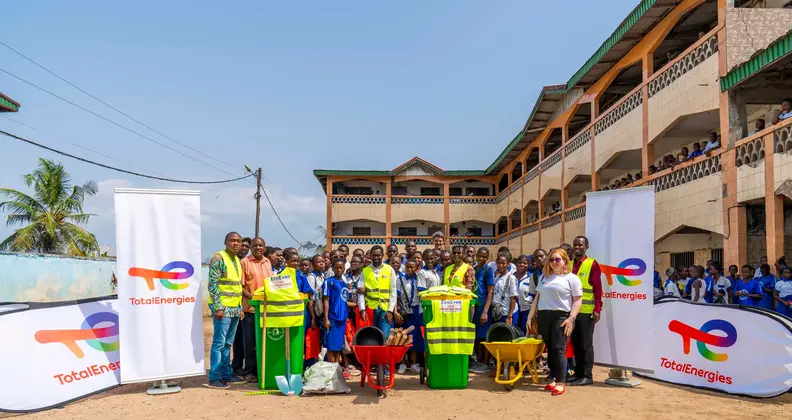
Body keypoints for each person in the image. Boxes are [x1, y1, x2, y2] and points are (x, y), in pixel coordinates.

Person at [526, 248, 583, 396]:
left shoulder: (572, 278)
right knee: (550, 349)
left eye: (558, 259)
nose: (554, 263)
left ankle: (560, 382)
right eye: (551, 260)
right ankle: (554, 379)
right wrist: (530, 317)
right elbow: (537, 298)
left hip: (562, 316)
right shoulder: (545, 277)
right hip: (545, 316)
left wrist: (571, 319)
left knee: (559, 349)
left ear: (565, 261)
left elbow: (577, 300)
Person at [207, 232, 246, 389]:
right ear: (226, 242)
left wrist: (240, 308)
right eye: (232, 240)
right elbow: (213, 284)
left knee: (228, 343)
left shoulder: (236, 260)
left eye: (238, 241)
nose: (236, 243)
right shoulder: (219, 258)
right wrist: (218, 307)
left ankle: (226, 374)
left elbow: (236, 287)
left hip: (234, 308)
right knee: (219, 343)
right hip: (222, 308)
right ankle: (214, 377)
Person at [567, 236, 602, 386]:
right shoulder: (568, 265)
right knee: (575, 343)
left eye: (580, 245)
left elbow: (597, 288)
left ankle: (587, 376)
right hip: (571, 313)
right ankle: (578, 373)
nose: (577, 247)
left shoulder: (591, 264)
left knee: (586, 345)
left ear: (586, 246)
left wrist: (598, 308)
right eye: (575, 245)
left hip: (586, 312)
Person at [239, 237, 271, 383]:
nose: (258, 248)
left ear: (264, 247)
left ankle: (261, 370)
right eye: (255, 245)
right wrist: (253, 298)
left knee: (264, 341)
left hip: (266, 310)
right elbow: (240, 286)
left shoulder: (268, 262)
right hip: (250, 309)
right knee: (250, 343)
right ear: (251, 247)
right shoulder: (244, 262)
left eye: (261, 245)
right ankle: (249, 371)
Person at [360, 245, 398, 338]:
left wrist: (390, 310)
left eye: (378, 255)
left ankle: (383, 353)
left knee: (384, 336)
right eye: (374, 255)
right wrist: (362, 309)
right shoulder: (365, 271)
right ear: (370, 256)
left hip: (385, 309)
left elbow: (393, 291)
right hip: (371, 308)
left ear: (383, 255)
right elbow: (360, 292)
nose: (376, 257)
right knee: (371, 336)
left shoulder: (389, 269)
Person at [395, 260, 424, 374]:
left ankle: (414, 363)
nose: (410, 269)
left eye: (412, 267)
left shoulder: (419, 279)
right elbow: (395, 297)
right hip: (404, 312)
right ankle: (402, 363)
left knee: (415, 337)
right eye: (408, 267)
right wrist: (395, 312)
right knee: (403, 337)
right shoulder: (400, 279)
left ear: (417, 267)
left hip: (416, 310)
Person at [231, 236, 252, 375]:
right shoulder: (232, 261)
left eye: (246, 246)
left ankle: (243, 366)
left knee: (246, 339)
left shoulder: (246, 263)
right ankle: (236, 366)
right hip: (232, 306)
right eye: (242, 245)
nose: (244, 248)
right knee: (235, 339)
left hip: (245, 307)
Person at [471, 247, 495, 373]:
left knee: (484, 337)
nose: (481, 258)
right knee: (476, 337)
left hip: (483, 307)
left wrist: (485, 311)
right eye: (479, 256)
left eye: (484, 256)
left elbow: (490, 291)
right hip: (475, 306)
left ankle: (485, 363)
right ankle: (478, 362)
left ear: (487, 257)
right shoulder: (474, 269)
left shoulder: (488, 270)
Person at [322, 259, 349, 365]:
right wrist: (326, 318)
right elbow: (326, 300)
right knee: (330, 345)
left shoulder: (345, 284)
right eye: (336, 268)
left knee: (338, 346)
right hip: (333, 317)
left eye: (341, 268)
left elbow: (344, 301)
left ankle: (336, 368)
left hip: (342, 318)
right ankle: (331, 368)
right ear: (332, 269)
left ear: (344, 269)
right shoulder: (329, 282)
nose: (339, 270)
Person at [492, 254, 518, 326]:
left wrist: (509, 316)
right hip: (498, 314)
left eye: (503, 263)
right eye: (499, 263)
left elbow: (513, 298)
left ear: (508, 264)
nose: (501, 265)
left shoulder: (511, 278)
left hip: (507, 314)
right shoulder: (497, 278)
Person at [515, 255, 533, 333]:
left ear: (528, 265)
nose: (522, 264)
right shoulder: (511, 277)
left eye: (525, 263)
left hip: (526, 310)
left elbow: (535, 295)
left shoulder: (531, 277)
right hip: (513, 311)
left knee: (525, 333)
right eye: (520, 262)